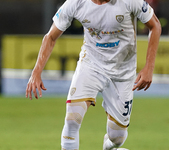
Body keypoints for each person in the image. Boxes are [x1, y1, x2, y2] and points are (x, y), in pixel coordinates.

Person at [26, 0, 161, 149]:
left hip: (123, 71)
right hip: (91, 64)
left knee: (118, 137)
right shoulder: (75, 3)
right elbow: (50, 37)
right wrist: (36, 72)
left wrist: (149, 67)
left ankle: (110, 146)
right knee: (72, 119)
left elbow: (155, 25)